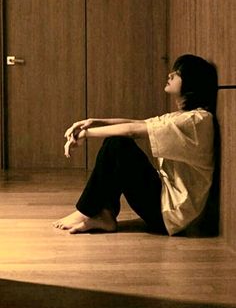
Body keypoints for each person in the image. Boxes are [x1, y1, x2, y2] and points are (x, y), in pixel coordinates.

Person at [53, 54, 219, 236]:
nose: (170, 75)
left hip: (171, 217)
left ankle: (86, 212)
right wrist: (94, 121)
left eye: (177, 73)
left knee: (117, 144)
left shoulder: (196, 121)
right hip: (167, 202)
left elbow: (133, 130)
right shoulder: (184, 117)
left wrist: (85, 134)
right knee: (116, 142)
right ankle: (104, 215)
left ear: (191, 84)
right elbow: (138, 123)